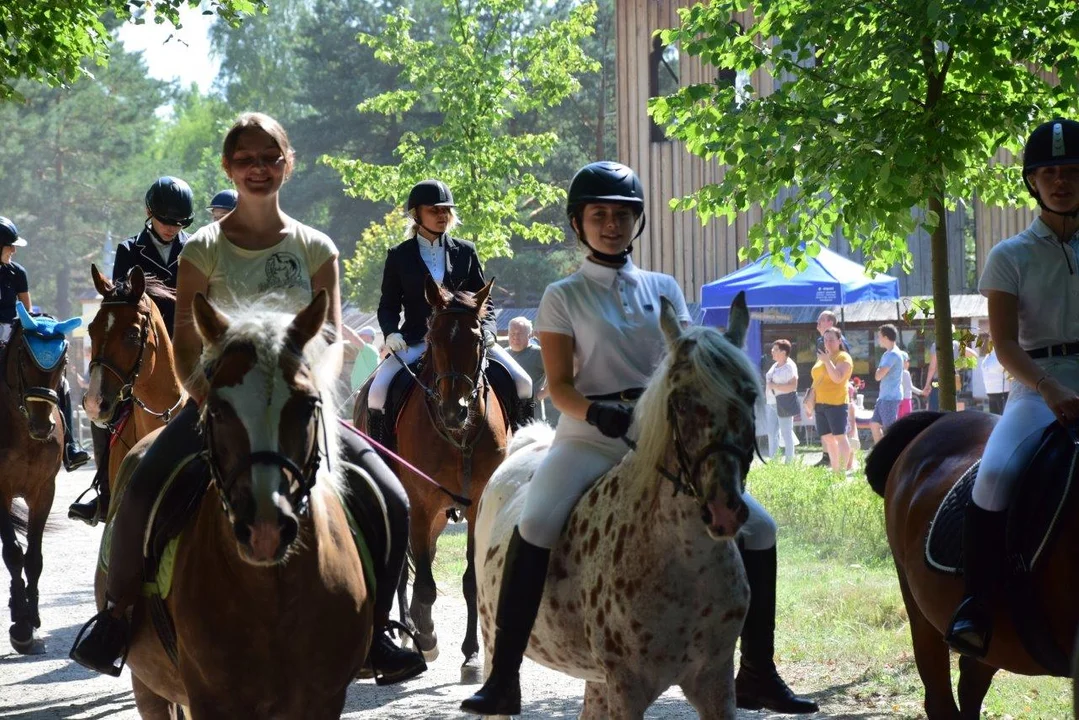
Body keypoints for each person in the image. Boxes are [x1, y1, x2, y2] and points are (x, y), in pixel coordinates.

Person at [69, 112, 427, 685]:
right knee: (137, 486)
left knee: (391, 497)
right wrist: (206, 396)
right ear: (228, 168)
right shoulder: (203, 250)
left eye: (269, 158)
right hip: (220, 408)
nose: (258, 168)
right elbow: (187, 338)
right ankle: (115, 619)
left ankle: (379, 630)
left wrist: (311, 387)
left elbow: (330, 335)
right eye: (245, 160)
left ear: (287, 163)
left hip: (296, 409)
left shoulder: (317, 247)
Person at [460, 161, 816, 717]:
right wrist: (599, 415)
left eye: (622, 215)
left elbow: (685, 365)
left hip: (664, 441)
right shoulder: (563, 295)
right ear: (579, 223)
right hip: (590, 437)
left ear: (637, 222)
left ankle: (760, 670)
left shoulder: (663, 289)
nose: (611, 224)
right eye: (599, 215)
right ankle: (504, 675)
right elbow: (558, 385)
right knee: (536, 521)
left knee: (762, 527)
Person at [945, 118, 1079, 659]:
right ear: (1032, 183)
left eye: (1070, 170)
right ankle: (977, 604)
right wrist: (1050, 390)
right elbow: (1004, 346)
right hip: (1036, 387)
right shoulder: (1010, 255)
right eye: (1048, 172)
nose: (1060, 181)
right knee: (997, 472)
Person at [367, 179, 533, 442]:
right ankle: (382, 461)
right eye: (434, 210)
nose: (442, 215)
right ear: (416, 214)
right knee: (376, 394)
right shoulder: (399, 255)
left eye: (445, 210)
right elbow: (388, 305)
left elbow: (485, 301)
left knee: (524, 382)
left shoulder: (466, 251)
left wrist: (488, 331)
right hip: (416, 341)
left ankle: (523, 453)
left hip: (467, 341)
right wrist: (390, 333)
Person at [69, 177, 194, 525]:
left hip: (185, 341)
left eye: (179, 224)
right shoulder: (128, 250)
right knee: (105, 407)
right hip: (139, 346)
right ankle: (104, 491)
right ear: (149, 214)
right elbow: (122, 301)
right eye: (166, 221)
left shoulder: (195, 249)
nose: (172, 229)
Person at [0, 216, 89, 472]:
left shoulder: (17, 272)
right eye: (9, 246)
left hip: (15, 329)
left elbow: (26, 309)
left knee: (57, 379)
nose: (14, 250)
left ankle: (70, 445)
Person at [803, 327, 852, 473]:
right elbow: (816, 380)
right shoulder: (822, 358)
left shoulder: (843, 357)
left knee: (840, 436)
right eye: (825, 339)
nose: (828, 342)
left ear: (839, 340)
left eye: (831, 339)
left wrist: (827, 361)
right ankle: (836, 470)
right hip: (820, 403)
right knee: (828, 438)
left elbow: (837, 378)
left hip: (836, 403)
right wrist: (809, 403)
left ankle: (843, 471)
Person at [921, 324, 978, 410]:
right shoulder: (956, 345)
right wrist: (960, 365)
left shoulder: (936, 345)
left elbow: (932, 368)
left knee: (935, 412)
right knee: (950, 411)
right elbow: (974, 355)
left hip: (938, 383)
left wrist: (927, 384)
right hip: (952, 382)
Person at [505, 317, 548, 422]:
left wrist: (542, 393)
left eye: (520, 333)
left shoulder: (539, 354)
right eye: (512, 334)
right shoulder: (503, 355)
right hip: (507, 412)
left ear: (529, 335)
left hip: (531, 413)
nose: (515, 337)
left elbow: (558, 374)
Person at [765, 339, 798, 464]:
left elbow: (793, 386)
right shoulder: (775, 364)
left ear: (784, 352)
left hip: (784, 402)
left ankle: (789, 463)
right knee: (771, 432)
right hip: (772, 402)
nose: (772, 351)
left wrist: (775, 386)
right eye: (772, 349)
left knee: (786, 433)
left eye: (776, 349)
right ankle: (773, 462)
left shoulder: (790, 366)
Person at [870, 324, 904, 442]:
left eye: (879, 336)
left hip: (890, 397)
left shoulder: (893, 354)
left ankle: (893, 455)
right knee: (874, 425)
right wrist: (879, 372)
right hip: (883, 397)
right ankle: (880, 453)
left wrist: (879, 372)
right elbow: (878, 374)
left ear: (885, 337)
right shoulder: (887, 354)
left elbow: (878, 375)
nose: (878, 339)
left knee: (889, 430)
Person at [349, 325, 380, 392]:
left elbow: (353, 338)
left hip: (362, 391)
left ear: (368, 337)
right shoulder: (365, 351)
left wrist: (342, 326)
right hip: (360, 391)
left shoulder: (370, 349)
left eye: (361, 335)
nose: (359, 337)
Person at [981, 347, 1011, 415]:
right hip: (991, 394)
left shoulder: (1003, 352)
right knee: (994, 421)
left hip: (1003, 393)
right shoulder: (990, 353)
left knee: (1003, 420)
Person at [897, 350, 914, 418]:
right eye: (907, 361)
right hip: (906, 400)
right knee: (907, 421)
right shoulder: (906, 373)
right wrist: (922, 392)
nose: (908, 363)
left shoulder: (896, 372)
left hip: (898, 399)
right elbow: (910, 387)